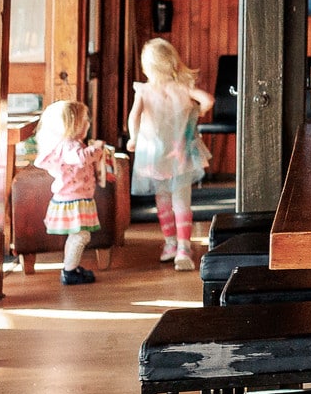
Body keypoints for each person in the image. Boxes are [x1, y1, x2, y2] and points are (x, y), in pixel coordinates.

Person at [128, 37, 214, 272]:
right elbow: (208, 100)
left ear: (148, 67)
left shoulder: (144, 91)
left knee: (162, 199)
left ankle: (169, 244)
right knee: (182, 200)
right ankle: (184, 248)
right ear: (172, 62)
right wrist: (198, 111)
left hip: (155, 154)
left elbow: (134, 116)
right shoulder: (183, 89)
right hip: (180, 153)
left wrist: (133, 137)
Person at [33, 100, 111, 286]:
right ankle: (69, 271)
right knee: (81, 235)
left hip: (74, 198)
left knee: (76, 235)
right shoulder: (69, 146)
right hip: (73, 199)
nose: (88, 124)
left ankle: (71, 267)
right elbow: (80, 159)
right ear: (73, 124)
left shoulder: (70, 144)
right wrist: (98, 149)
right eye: (85, 121)